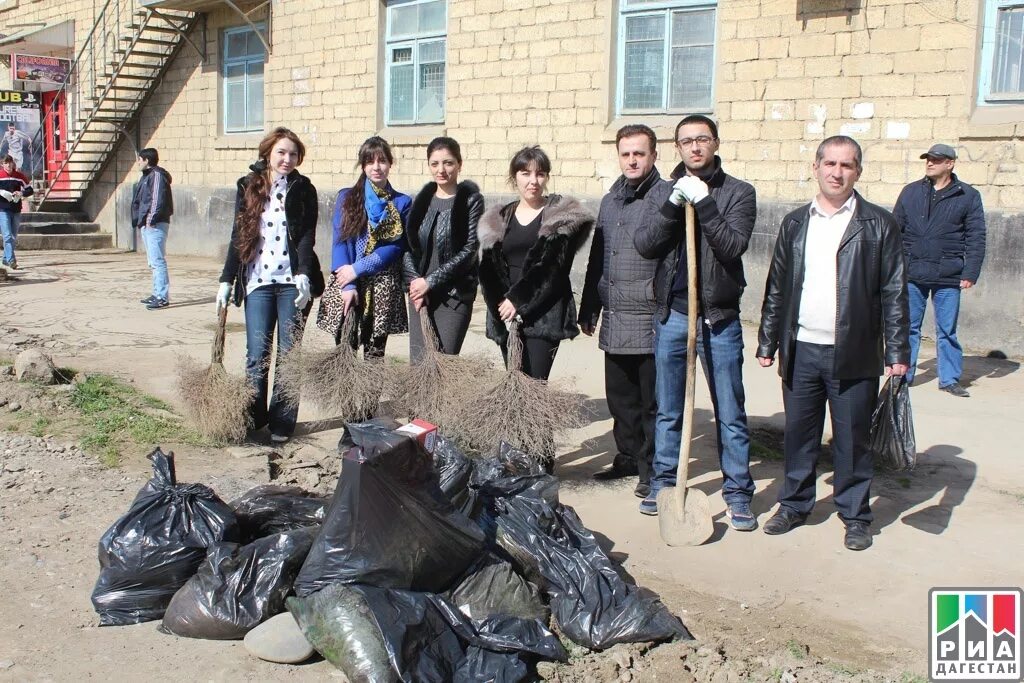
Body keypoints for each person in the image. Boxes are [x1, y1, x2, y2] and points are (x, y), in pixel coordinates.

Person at [756, 135, 909, 551]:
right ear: (816, 168)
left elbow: (895, 291)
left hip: (855, 352)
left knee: (852, 439)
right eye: (830, 164)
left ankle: (856, 515)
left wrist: (897, 352)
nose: (837, 173)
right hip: (801, 349)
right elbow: (777, 288)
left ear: (858, 171)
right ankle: (794, 504)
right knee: (799, 436)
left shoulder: (878, 224)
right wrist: (768, 339)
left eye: (846, 165)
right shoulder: (795, 223)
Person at [632, 115, 758, 530]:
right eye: (686, 141)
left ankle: (738, 492)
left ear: (716, 143)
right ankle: (665, 483)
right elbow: (646, 244)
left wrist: (704, 203)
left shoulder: (739, 193)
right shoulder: (662, 193)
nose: (695, 147)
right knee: (669, 409)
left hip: (719, 320)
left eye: (702, 139)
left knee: (730, 410)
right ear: (678, 148)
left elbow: (732, 245)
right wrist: (673, 205)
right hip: (673, 316)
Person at [579, 124, 671, 499]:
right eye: (626, 154)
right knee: (620, 397)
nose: (632, 160)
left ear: (653, 155)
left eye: (640, 153)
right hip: (615, 312)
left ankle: (652, 468)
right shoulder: (610, 200)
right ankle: (628, 457)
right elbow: (598, 257)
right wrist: (589, 306)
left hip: (650, 314)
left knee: (652, 400)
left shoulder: (667, 196)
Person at [216, 127, 320, 444]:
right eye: (281, 152)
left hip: (291, 283)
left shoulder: (304, 190)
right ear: (268, 153)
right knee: (256, 353)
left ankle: (282, 423)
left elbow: (305, 236)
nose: (287, 159)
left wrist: (303, 273)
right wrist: (226, 278)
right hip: (257, 282)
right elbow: (240, 236)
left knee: (289, 355)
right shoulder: (248, 186)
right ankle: (253, 417)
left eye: (293, 154)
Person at [478, 145, 595, 381]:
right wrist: (501, 304)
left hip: (544, 315)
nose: (533, 181)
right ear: (514, 177)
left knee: (534, 384)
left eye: (540, 174)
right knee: (515, 383)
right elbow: (488, 268)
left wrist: (517, 300)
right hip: (506, 314)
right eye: (525, 173)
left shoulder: (559, 217)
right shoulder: (499, 217)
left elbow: (554, 270)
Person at [893, 143, 986, 398]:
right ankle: (904, 375)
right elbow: (895, 231)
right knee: (909, 326)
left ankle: (949, 379)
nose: (930, 163)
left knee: (947, 330)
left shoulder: (967, 195)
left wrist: (970, 273)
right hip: (912, 272)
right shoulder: (911, 192)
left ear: (950, 163)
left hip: (949, 275)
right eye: (928, 159)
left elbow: (976, 236)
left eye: (936, 159)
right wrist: (893, 267)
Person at [403, 137, 484, 362]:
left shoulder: (471, 201)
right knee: (419, 366)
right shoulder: (421, 200)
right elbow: (409, 246)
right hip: (420, 293)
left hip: (453, 296)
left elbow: (469, 250)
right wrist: (416, 283)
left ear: (459, 164)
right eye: (435, 163)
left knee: (443, 365)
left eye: (448, 163)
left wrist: (431, 281)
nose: (441, 170)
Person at [330, 136, 412, 359]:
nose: (376, 167)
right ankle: (345, 394)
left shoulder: (402, 202)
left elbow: (395, 246)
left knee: (375, 352)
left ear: (390, 164)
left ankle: (369, 395)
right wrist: (348, 283)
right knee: (344, 347)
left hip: (381, 283)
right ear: (363, 165)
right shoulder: (346, 197)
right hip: (346, 279)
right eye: (370, 161)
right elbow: (340, 241)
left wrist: (359, 268)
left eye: (382, 161)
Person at [130, 148, 174, 309]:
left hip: (154, 224)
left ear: (147, 160)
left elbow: (156, 200)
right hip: (146, 223)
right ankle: (157, 293)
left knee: (158, 261)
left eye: (140, 160)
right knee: (153, 261)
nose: (138, 163)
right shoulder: (147, 176)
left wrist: (150, 219)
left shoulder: (156, 176)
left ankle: (162, 297)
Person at [0, 155, 33, 270]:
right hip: (3, 210)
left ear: (13, 164)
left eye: (10, 163)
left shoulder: (19, 176)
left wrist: (21, 194)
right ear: (2, 164)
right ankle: (11, 260)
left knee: (13, 236)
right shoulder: (0, 175)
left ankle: (5, 259)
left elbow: (30, 189)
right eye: (6, 163)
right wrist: (2, 192)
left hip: (16, 210)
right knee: (7, 236)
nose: (9, 165)